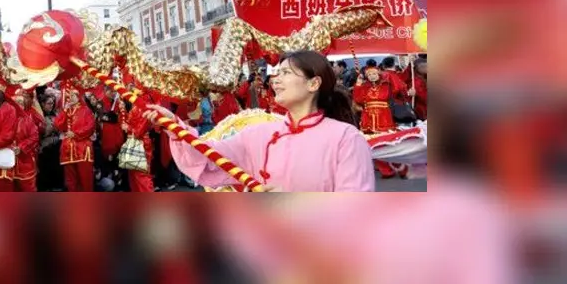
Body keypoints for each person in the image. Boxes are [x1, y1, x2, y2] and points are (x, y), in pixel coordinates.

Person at [147, 50, 374, 192]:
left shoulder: (345, 137)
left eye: (286, 73)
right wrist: (175, 127)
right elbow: (209, 158)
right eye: (277, 73)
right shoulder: (258, 133)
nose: (275, 80)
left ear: (313, 84)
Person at [53, 86, 97, 191]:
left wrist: (75, 134)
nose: (70, 98)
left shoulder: (85, 110)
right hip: (68, 150)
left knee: (85, 179)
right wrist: (64, 110)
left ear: (78, 97)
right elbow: (57, 124)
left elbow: (90, 127)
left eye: (73, 96)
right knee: (70, 181)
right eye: (69, 96)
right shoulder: (67, 111)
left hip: (82, 149)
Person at [352, 66, 409, 134]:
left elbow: (398, 88)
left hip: (384, 115)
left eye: (374, 74)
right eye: (369, 75)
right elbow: (358, 99)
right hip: (368, 115)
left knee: (385, 134)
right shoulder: (365, 87)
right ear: (367, 77)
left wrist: (409, 92)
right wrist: (358, 84)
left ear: (378, 74)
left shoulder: (386, 85)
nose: (372, 76)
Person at [121, 99, 156, 192]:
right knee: (133, 175)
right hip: (133, 142)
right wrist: (123, 111)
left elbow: (139, 130)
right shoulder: (136, 105)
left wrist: (128, 127)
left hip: (141, 143)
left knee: (141, 175)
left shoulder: (144, 106)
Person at [11, 90, 40, 192]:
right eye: (16, 104)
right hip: (7, 164)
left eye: (21, 104)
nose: (19, 106)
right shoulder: (4, 119)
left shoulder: (27, 120)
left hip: (25, 163)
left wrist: (21, 147)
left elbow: (34, 137)